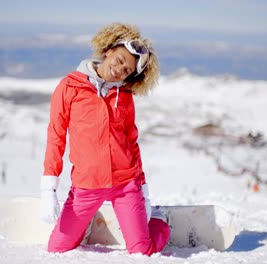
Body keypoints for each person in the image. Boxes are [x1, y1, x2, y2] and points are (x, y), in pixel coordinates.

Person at [40, 22, 170, 256]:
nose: (120, 70)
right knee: (57, 249)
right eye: (120, 60)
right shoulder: (70, 87)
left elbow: (131, 143)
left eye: (127, 70)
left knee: (142, 251)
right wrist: (48, 189)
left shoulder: (125, 96)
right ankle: (83, 223)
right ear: (109, 50)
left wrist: (143, 190)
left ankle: (160, 221)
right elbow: (56, 137)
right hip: (86, 186)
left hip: (125, 185)